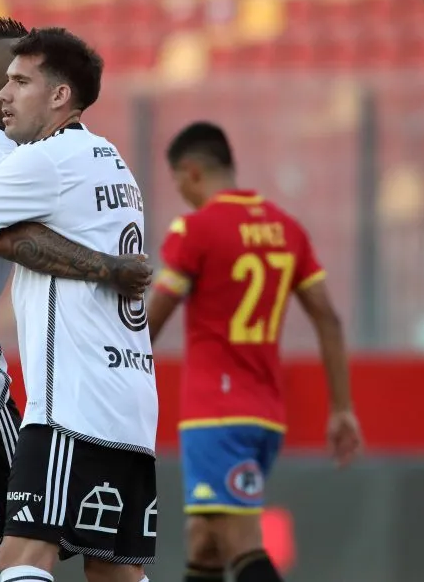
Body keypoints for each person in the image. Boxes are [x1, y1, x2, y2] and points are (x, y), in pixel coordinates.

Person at [0, 27, 158, 582]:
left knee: (21, 557)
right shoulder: (112, 161)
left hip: (71, 403)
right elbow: (15, 238)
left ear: (59, 95)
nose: (3, 95)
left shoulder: (47, 160)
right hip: (131, 399)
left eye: (21, 82)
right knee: (114, 571)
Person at [146, 121, 362, 582]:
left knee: (239, 541)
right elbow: (329, 318)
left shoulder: (195, 229)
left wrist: (115, 367)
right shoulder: (287, 229)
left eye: (178, 181)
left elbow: (153, 319)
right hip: (265, 414)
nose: (180, 192)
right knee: (205, 538)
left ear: (191, 172)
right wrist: (342, 408)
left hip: (215, 413)